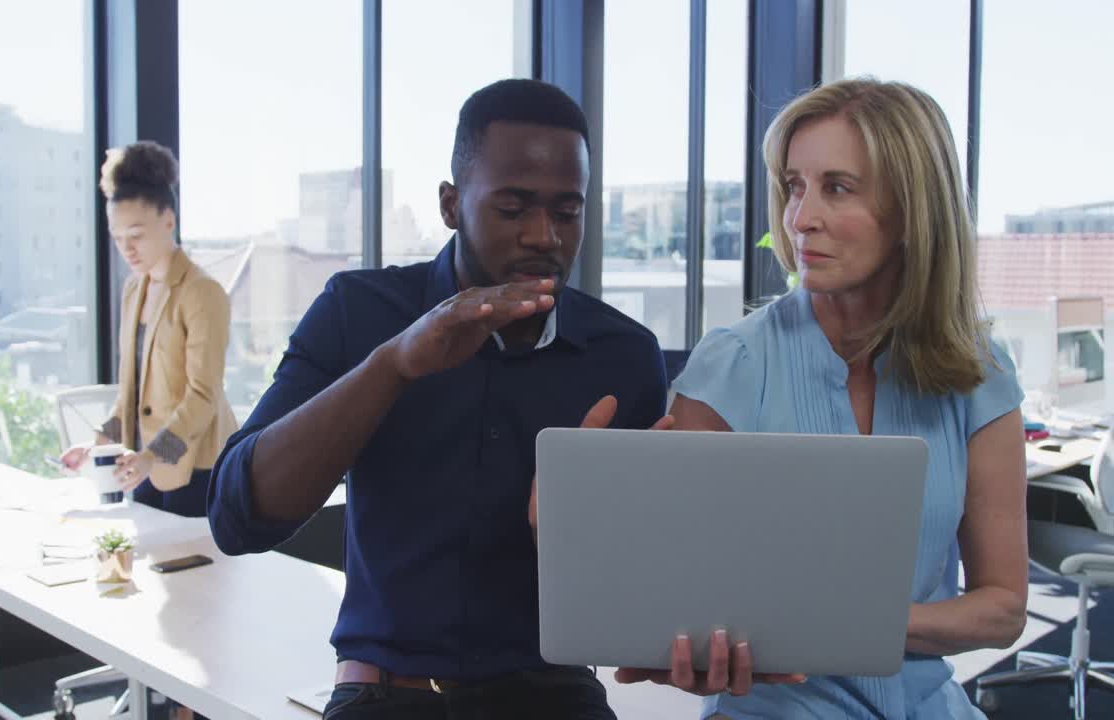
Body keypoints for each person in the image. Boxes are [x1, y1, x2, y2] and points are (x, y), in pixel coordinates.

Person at [207, 79, 669, 718]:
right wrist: (392, 366)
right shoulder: (358, 312)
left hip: (554, 693)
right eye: (513, 208)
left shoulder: (626, 355)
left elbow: (645, 584)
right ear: (451, 205)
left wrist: (582, 530)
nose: (544, 236)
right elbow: (237, 517)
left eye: (567, 212)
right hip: (384, 693)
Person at [616, 78, 1028, 718]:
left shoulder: (979, 372)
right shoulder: (733, 365)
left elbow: (1001, 608)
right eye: (793, 186)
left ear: (913, 209)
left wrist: (832, 627)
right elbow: (688, 608)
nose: (800, 216)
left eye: (836, 187)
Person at [61, 139, 238, 519]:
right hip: (144, 467)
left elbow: (203, 398)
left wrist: (152, 456)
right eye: (118, 237)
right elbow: (131, 394)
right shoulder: (133, 289)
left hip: (197, 468)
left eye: (137, 235)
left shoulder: (201, 292)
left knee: (192, 573)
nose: (127, 248)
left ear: (168, 221)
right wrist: (98, 446)